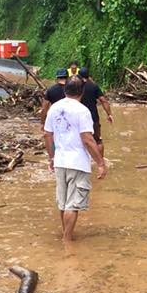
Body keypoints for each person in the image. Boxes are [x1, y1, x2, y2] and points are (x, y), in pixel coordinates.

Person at [44, 75, 107, 241]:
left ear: (65, 90)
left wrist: (51, 158)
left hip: (60, 161)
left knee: (63, 203)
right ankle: (67, 241)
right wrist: (100, 163)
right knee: (73, 205)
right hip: (77, 162)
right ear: (82, 91)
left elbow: (47, 135)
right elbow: (87, 138)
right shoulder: (82, 110)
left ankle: (66, 235)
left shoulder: (54, 108)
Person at [78, 67, 113, 156]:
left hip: (79, 118)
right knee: (98, 140)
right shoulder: (94, 86)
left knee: (80, 140)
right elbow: (103, 100)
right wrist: (109, 114)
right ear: (88, 75)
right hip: (93, 118)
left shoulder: (76, 86)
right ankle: (100, 160)